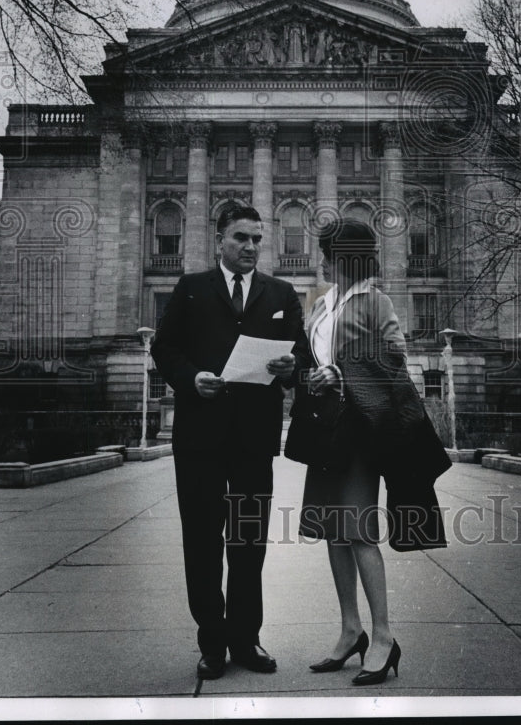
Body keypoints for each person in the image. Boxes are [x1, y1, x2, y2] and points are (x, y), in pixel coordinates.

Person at [151, 202, 309, 680]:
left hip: (252, 441)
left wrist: (291, 367)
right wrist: (190, 377)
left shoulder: (281, 292)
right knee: (201, 542)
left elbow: (300, 351)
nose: (252, 247)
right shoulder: (191, 288)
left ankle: (246, 639)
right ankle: (212, 644)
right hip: (200, 437)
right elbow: (164, 347)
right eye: (242, 237)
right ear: (220, 239)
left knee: (247, 542)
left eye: (258, 238)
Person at [296, 217, 451, 686]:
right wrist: (303, 373)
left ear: (345, 258)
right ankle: (350, 630)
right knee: (332, 531)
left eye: (328, 252)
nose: (320, 260)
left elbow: (395, 357)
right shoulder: (322, 305)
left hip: (362, 430)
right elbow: (313, 364)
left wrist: (342, 375)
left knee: (359, 530)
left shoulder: (374, 299)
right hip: (327, 429)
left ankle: (383, 636)